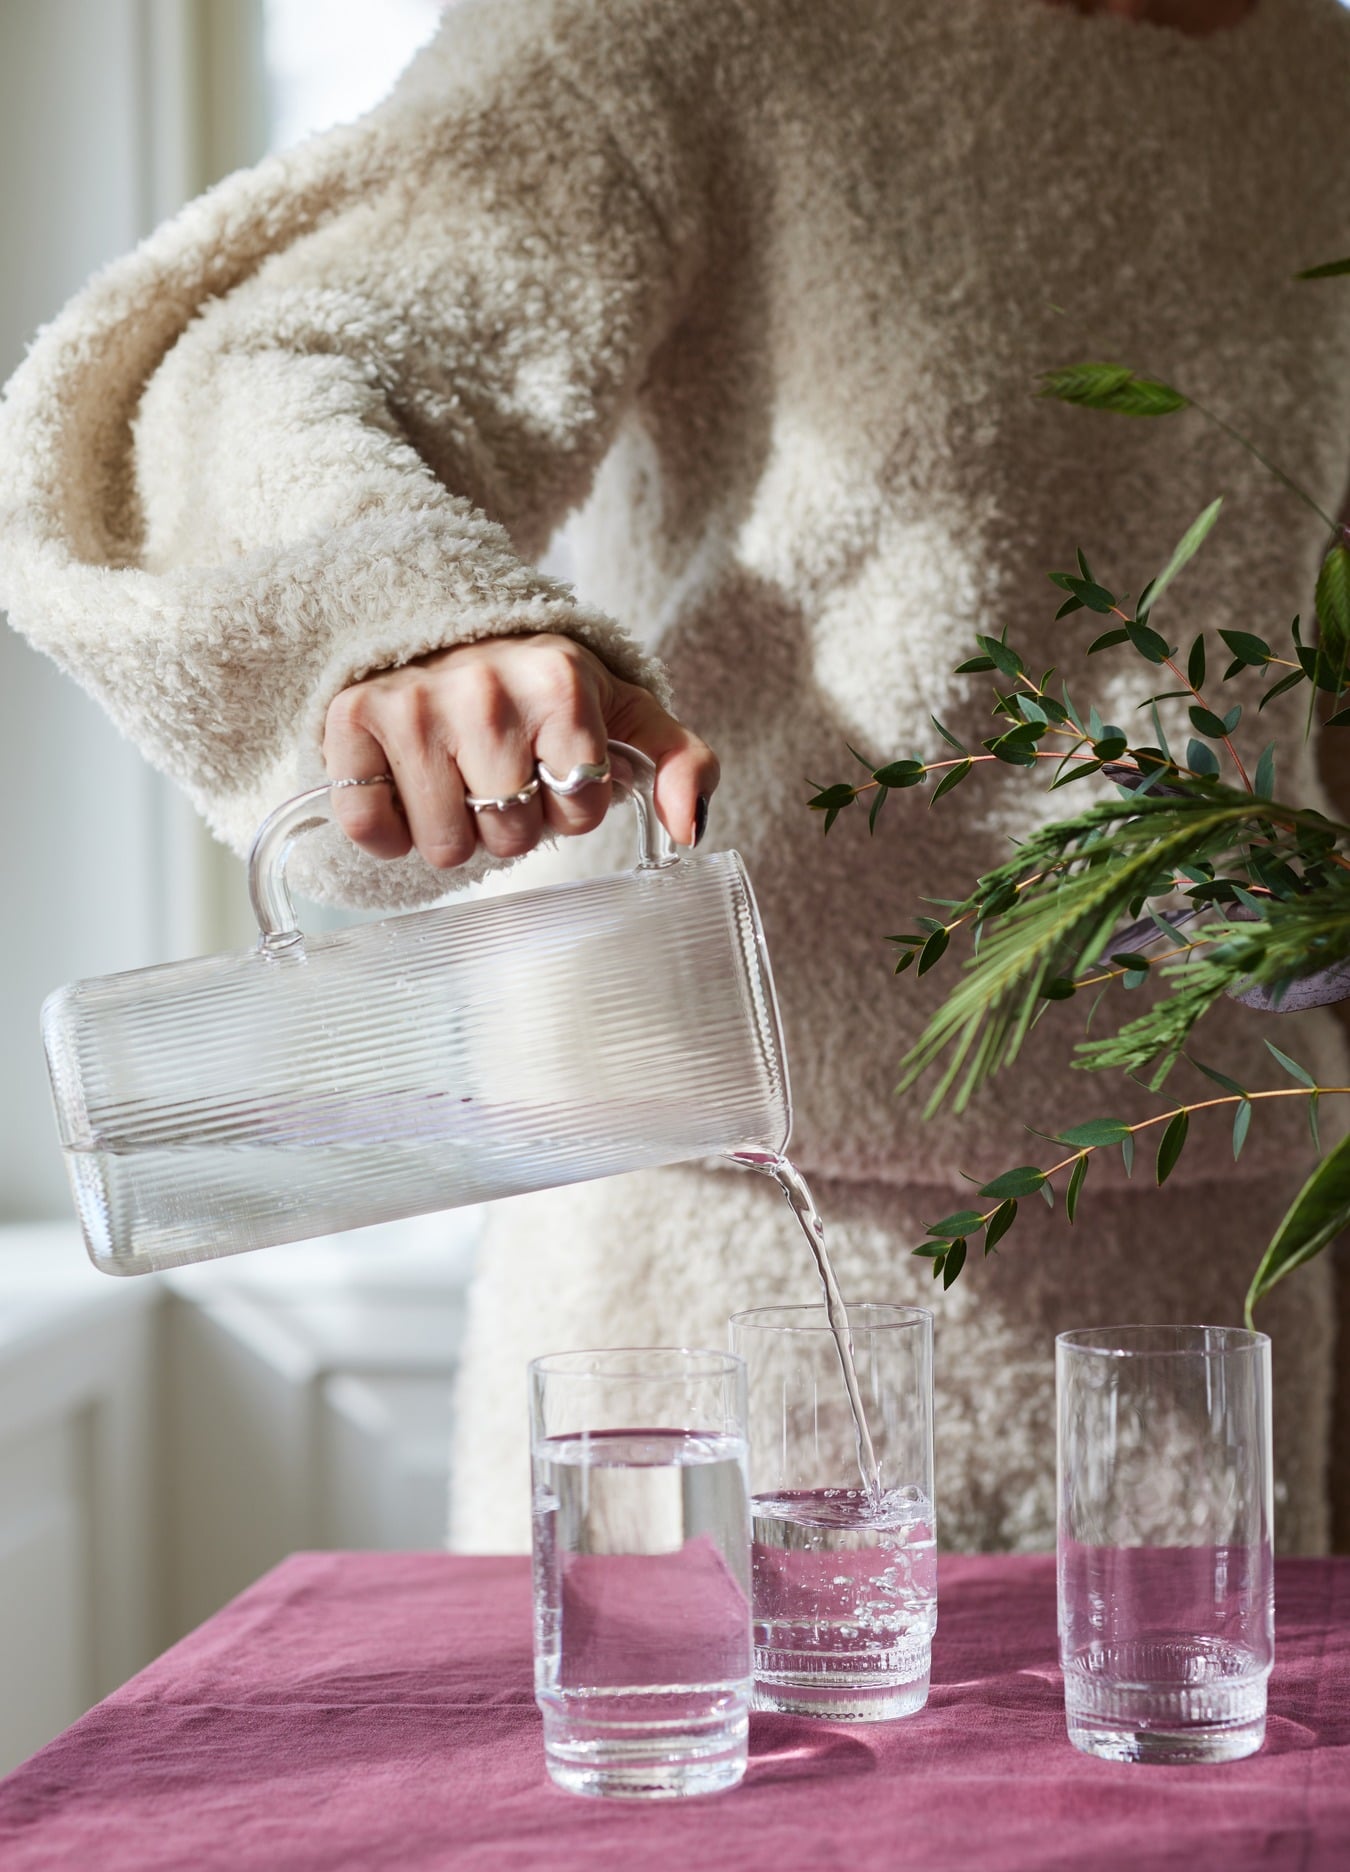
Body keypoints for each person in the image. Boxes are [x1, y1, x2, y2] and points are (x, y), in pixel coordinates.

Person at [3, 0, 1348, 1551]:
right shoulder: (690, 23)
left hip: (1222, 1265)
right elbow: (251, 362)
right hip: (712, 1263)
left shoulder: (1315, 86)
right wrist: (412, 619)